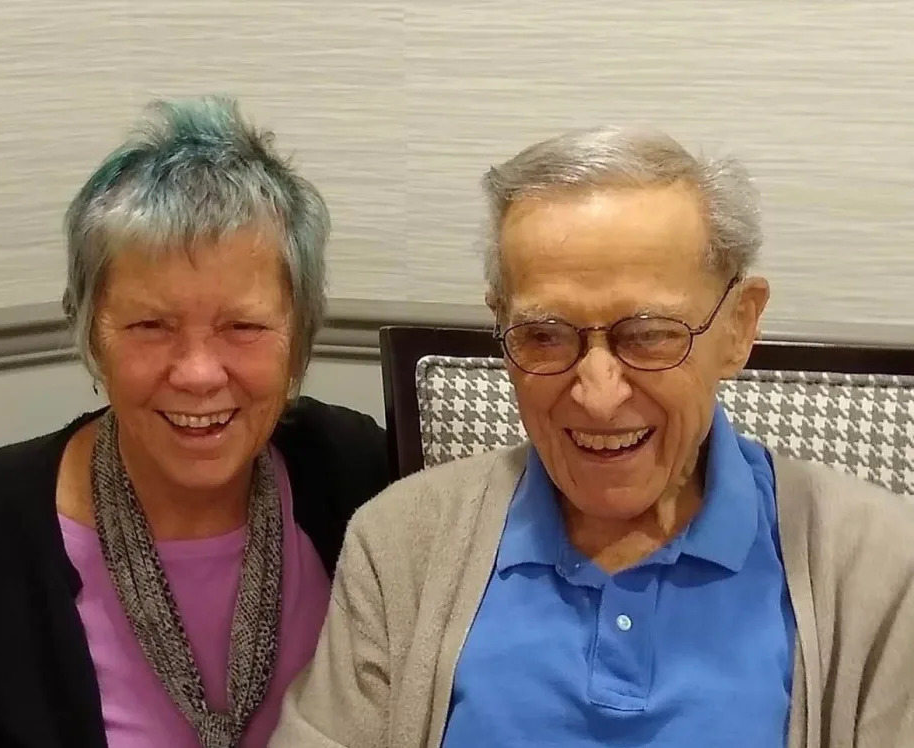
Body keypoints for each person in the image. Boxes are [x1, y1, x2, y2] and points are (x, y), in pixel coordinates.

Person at [269, 128, 914, 747]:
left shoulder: (879, 566)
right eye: (544, 336)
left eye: (650, 334)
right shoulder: (400, 544)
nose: (598, 394)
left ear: (738, 328)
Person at [0, 96, 389, 748]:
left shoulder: (362, 480)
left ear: (299, 338)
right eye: (149, 326)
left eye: (242, 326)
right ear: (92, 336)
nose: (197, 373)